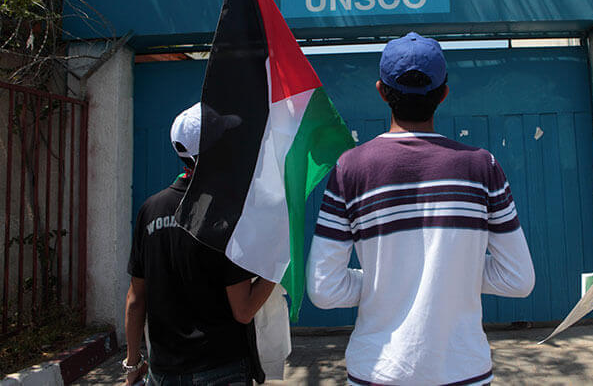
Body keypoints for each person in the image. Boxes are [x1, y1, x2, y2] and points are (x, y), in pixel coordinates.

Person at [306, 32, 535, 386]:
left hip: (377, 372)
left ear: (382, 91)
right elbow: (518, 280)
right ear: (444, 93)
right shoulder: (482, 167)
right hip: (465, 372)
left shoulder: (350, 169)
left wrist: (390, 278)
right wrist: (449, 273)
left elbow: (325, 290)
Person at [123, 103, 275, 385]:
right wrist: (275, 267)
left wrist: (132, 365)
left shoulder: (150, 210)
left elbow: (135, 300)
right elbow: (243, 310)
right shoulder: (226, 214)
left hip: (163, 372)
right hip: (221, 368)